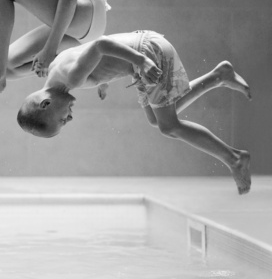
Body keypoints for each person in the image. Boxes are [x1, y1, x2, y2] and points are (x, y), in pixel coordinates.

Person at [17, 31, 252, 194]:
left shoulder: (72, 78)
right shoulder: (57, 73)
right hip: (143, 54)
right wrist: (102, 79)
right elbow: (90, 53)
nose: (69, 117)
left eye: (62, 120)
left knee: (168, 125)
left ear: (46, 104)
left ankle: (235, 159)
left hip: (147, 54)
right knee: (156, 119)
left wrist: (141, 61)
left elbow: (101, 44)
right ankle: (218, 76)